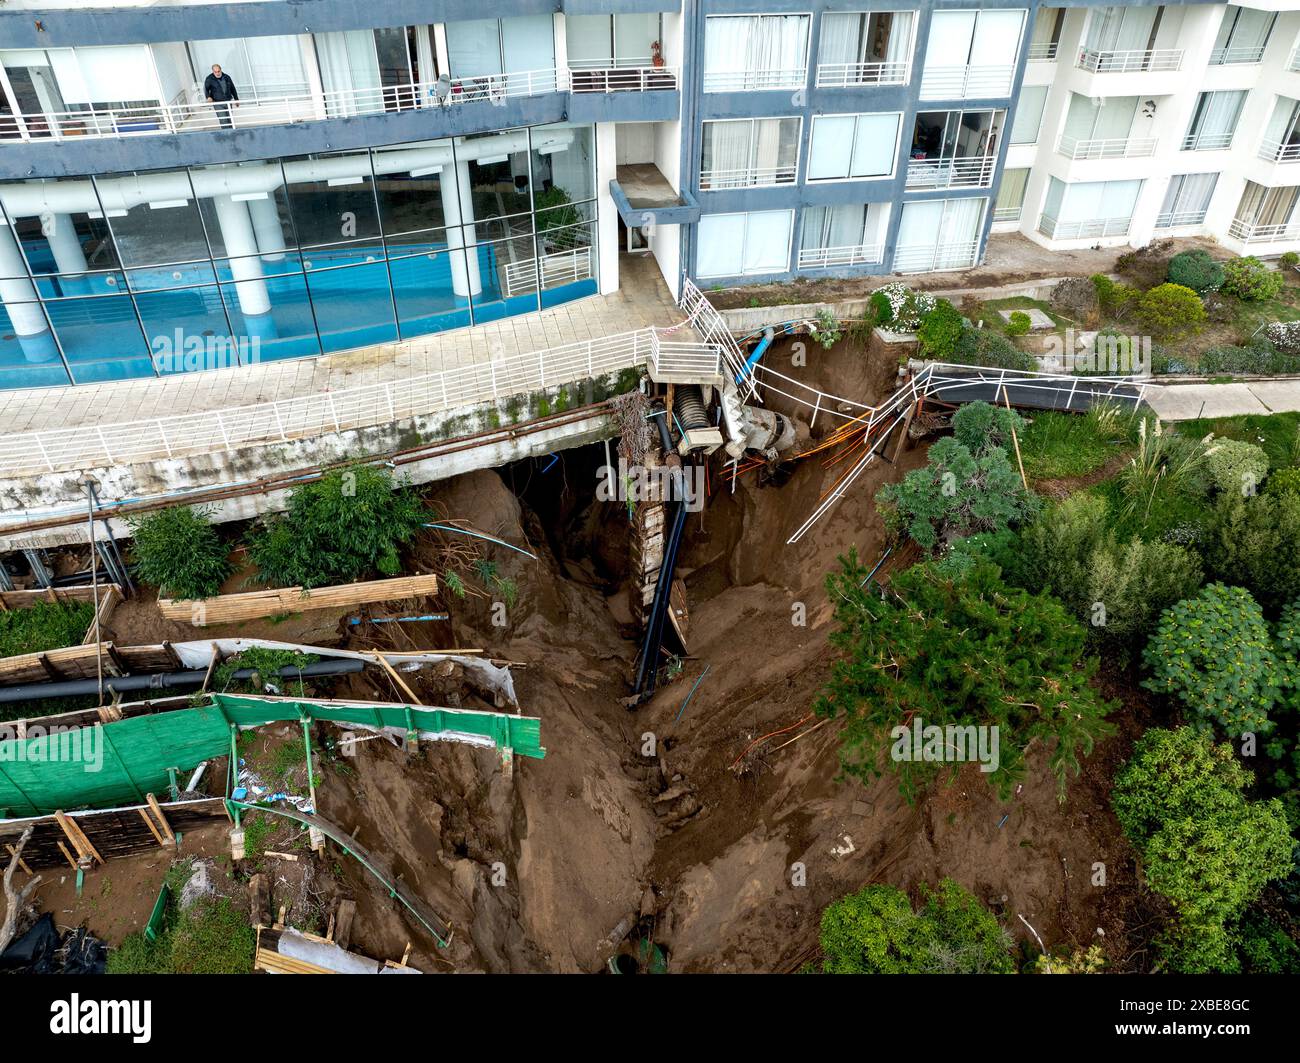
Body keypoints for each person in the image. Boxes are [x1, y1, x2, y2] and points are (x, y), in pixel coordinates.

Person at [204, 64, 239, 129]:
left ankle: (231, 135)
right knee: (223, 121)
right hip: (218, 103)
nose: (217, 73)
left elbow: (233, 88)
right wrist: (208, 97)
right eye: (215, 72)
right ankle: (226, 136)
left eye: (218, 71)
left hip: (228, 101)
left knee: (229, 120)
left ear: (221, 70)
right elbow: (206, 89)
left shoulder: (227, 77)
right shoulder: (209, 79)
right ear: (213, 71)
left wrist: (236, 99)